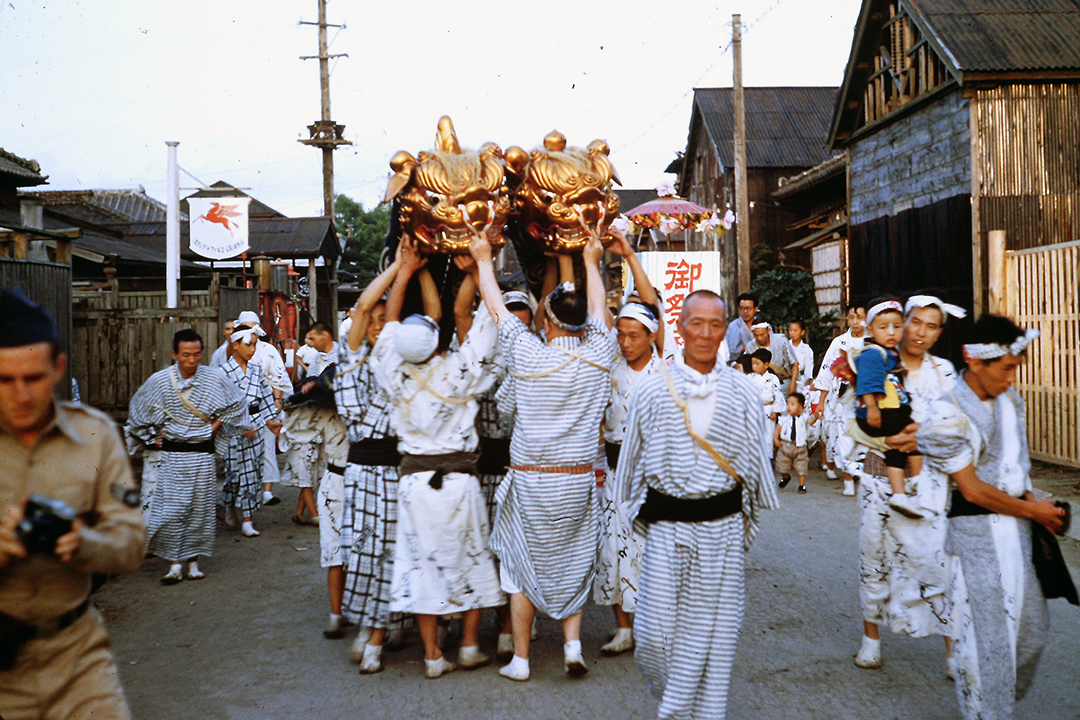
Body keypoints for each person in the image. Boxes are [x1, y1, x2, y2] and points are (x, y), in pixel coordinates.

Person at [614, 289, 779, 720]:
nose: (705, 333)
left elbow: (755, 465)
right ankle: (675, 699)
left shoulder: (743, 391)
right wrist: (636, 510)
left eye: (715, 324)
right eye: (696, 323)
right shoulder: (653, 388)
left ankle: (692, 712)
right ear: (681, 328)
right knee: (653, 635)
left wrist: (742, 524)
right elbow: (631, 463)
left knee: (715, 634)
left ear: (725, 331)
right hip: (666, 527)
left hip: (721, 528)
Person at [470, 229, 615, 682]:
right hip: (577, 479)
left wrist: (482, 260)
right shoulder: (601, 351)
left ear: (547, 322)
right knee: (574, 559)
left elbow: (497, 309)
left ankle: (521, 660)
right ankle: (572, 646)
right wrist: (590, 261)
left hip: (532, 481)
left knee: (519, 568)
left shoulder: (528, 353)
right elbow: (599, 312)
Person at [0, 289, 145, 720]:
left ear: (58, 368)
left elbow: (132, 544)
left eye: (34, 378)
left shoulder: (95, 435)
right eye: (5, 380)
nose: (22, 395)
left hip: (77, 656)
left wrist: (85, 544)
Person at [916, 314, 1066, 720]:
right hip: (976, 535)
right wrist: (1032, 509)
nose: (1012, 378)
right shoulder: (948, 413)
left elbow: (1017, 465)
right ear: (975, 361)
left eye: (1016, 368)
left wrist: (1036, 510)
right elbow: (971, 489)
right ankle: (986, 712)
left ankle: (995, 704)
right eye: (1006, 368)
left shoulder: (1010, 400)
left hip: (1018, 528)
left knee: (1031, 631)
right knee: (989, 644)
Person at [370, 238, 504, 679]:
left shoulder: (392, 372)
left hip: (415, 485)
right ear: (434, 342)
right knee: (472, 558)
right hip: (459, 482)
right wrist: (478, 270)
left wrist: (405, 271)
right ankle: (468, 645)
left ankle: (431, 655)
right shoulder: (457, 371)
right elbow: (486, 328)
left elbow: (389, 327)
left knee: (421, 566)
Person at [845, 295, 961, 672]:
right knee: (874, 556)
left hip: (928, 480)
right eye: (916, 322)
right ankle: (871, 640)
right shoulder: (873, 360)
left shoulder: (944, 372)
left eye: (932, 326)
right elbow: (855, 421)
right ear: (903, 321)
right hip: (879, 475)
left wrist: (922, 438)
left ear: (939, 333)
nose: (920, 332)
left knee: (937, 563)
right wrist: (889, 438)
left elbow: (957, 426)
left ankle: (953, 652)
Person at [336, 248, 409, 671]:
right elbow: (364, 305)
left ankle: (382, 631)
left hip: (398, 470)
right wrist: (398, 267)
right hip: (363, 472)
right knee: (362, 550)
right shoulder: (350, 359)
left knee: (395, 551)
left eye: (386, 320)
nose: (379, 326)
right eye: (373, 322)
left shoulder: (400, 362)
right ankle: (369, 624)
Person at [127, 328, 246, 583]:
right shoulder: (160, 380)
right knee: (171, 510)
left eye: (196, 354)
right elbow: (138, 413)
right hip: (172, 456)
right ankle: (174, 564)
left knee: (199, 509)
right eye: (186, 355)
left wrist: (213, 428)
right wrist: (155, 436)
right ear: (175, 354)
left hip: (201, 456)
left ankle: (193, 562)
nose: (192, 360)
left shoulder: (213, 377)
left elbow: (237, 404)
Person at [593, 238, 663, 656]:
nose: (625, 341)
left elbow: (650, 303)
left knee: (654, 551)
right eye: (621, 334)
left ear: (651, 336)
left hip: (654, 475)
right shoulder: (612, 364)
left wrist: (630, 256)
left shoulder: (664, 367)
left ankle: (656, 626)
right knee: (614, 549)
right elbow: (600, 311)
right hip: (616, 473)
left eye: (634, 335)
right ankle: (623, 628)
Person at [853, 300, 923, 519]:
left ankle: (899, 495)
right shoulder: (873, 353)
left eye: (897, 326)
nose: (891, 332)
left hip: (887, 412)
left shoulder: (890, 352)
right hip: (881, 412)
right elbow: (866, 383)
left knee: (896, 451)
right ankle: (919, 481)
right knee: (914, 434)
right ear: (871, 330)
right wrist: (872, 408)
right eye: (883, 327)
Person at [220, 323, 281, 538]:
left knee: (252, 472)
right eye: (249, 345)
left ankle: (248, 518)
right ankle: (229, 505)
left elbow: (265, 397)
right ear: (235, 344)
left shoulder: (256, 371)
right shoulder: (223, 372)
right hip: (231, 429)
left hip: (256, 424)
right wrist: (239, 425)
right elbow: (220, 406)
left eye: (255, 345)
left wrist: (271, 420)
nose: (253, 349)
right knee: (234, 474)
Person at [281, 322, 339, 525]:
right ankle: (313, 513)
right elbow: (309, 383)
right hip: (313, 417)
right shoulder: (316, 359)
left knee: (324, 468)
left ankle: (304, 512)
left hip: (333, 418)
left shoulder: (343, 355)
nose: (310, 343)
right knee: (310, 467)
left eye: (313, 338)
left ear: (325, 335)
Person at [235, 310, 291, 507]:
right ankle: (243, 492)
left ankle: (267, 491)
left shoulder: (269, 350)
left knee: (267, 448)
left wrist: (277, 399)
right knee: (241, 451)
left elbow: (278, 376)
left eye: (254, 327)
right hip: (240, 407)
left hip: (265, 403)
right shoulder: (232, 350)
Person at [812, 301, 867, 496]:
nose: (855, 321)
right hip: (843, 398)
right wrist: (821, 401)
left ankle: (866, 478)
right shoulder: (839, 342)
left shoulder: (873, 341)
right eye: (852, 317)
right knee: (844, 439)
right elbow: (827, 370)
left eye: (860, 317)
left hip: (867, 398)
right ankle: (848, 480)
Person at [775, 392, 815, 493]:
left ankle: (802, 485)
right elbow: (778, 429)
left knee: (801, 466)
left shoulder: (804, 417)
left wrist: (816, 417)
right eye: (788, 404)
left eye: (792, 404)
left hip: (800, 446)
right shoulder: (784, 418)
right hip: (785, 445)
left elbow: (810, 421)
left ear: (801, 407)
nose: (789, 407)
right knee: (782, 465)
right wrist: (776, 439)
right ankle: (786, 477)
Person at [745, 322, 799, 394]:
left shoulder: (781, 340)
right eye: (756, 335)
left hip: (784, 382)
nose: (759, 338)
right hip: (761, 385)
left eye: (762, 335)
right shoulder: (750, 347)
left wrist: (793, 384)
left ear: (768, 331)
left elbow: (794, 363)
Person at [725, 292, 757, 358]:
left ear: (755, 309)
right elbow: (731, 350)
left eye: (748, 308)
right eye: (742, 308)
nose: (745, 311)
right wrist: (747, 348)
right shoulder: (733, 326)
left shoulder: (763, 324)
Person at [787, 319, 814, 396]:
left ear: (802, 332)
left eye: (795, 331)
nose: (792, 333)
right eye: (791, 330)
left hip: (801, 382)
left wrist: (806, 386)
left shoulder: (806, 349)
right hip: (786, 380)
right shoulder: (785, 346)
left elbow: (808, 370)